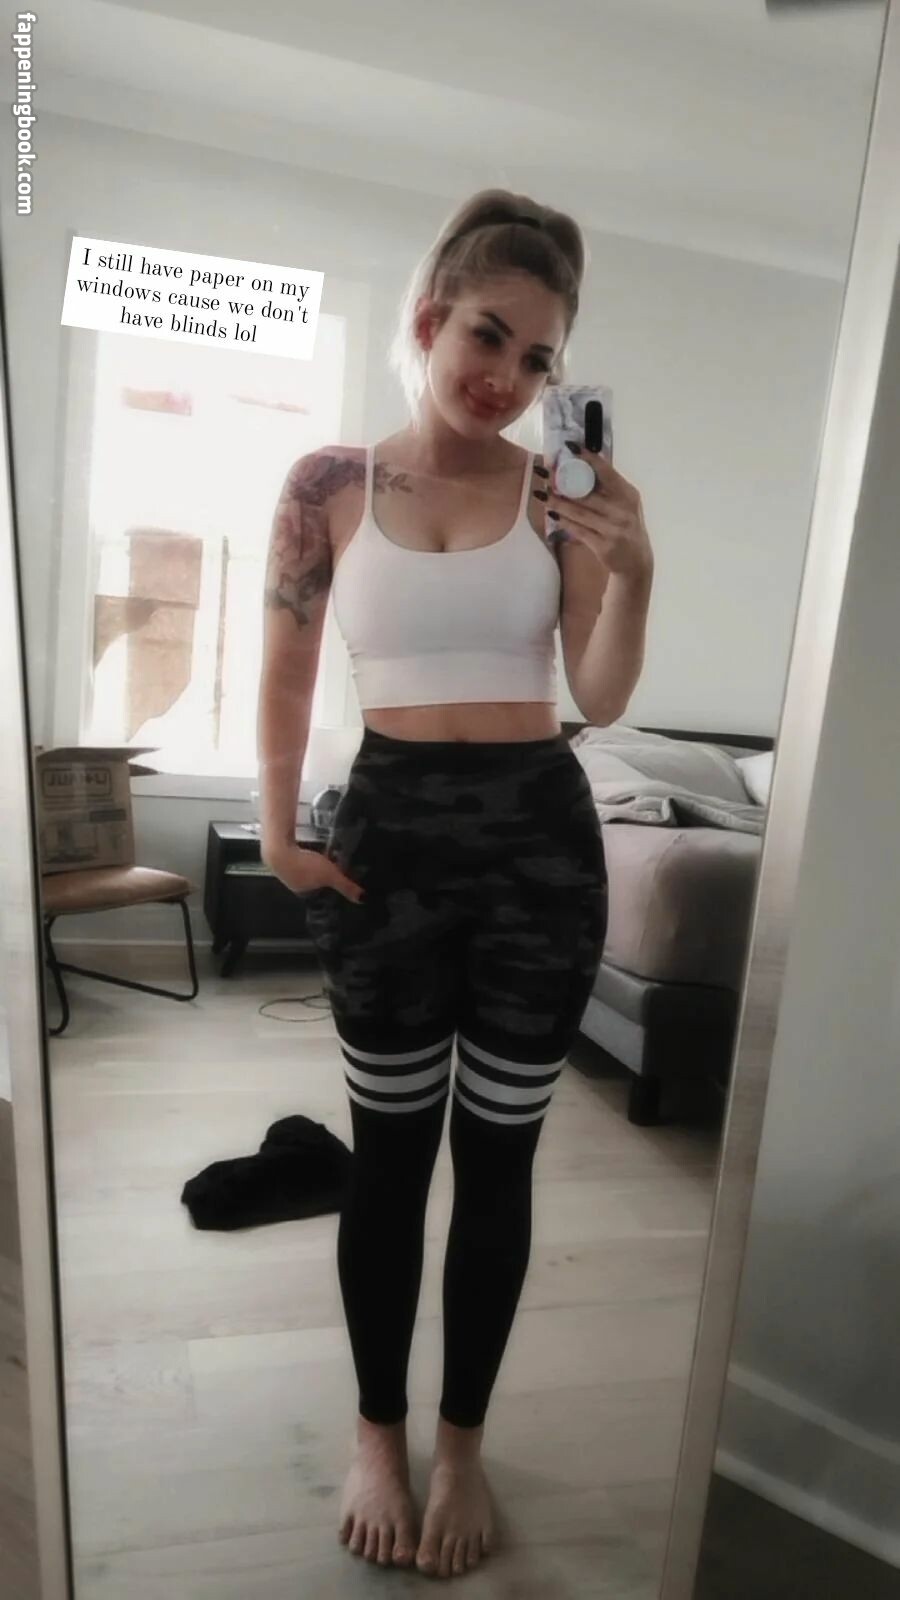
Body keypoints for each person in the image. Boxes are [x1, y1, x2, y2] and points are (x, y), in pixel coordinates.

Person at [256, 188, 654, 1581]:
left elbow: (600, 695)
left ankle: (464, 1442)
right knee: (389, 1158)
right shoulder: (327, 481)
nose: (508, 376)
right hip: (391, 839)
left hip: (541, 847)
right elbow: (286, 675)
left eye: (539, 359)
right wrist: (279, 836)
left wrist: (634, 573)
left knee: (499, 1161)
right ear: (430, 319)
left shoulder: (562, 494)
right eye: (490, 335)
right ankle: (378, 1432)